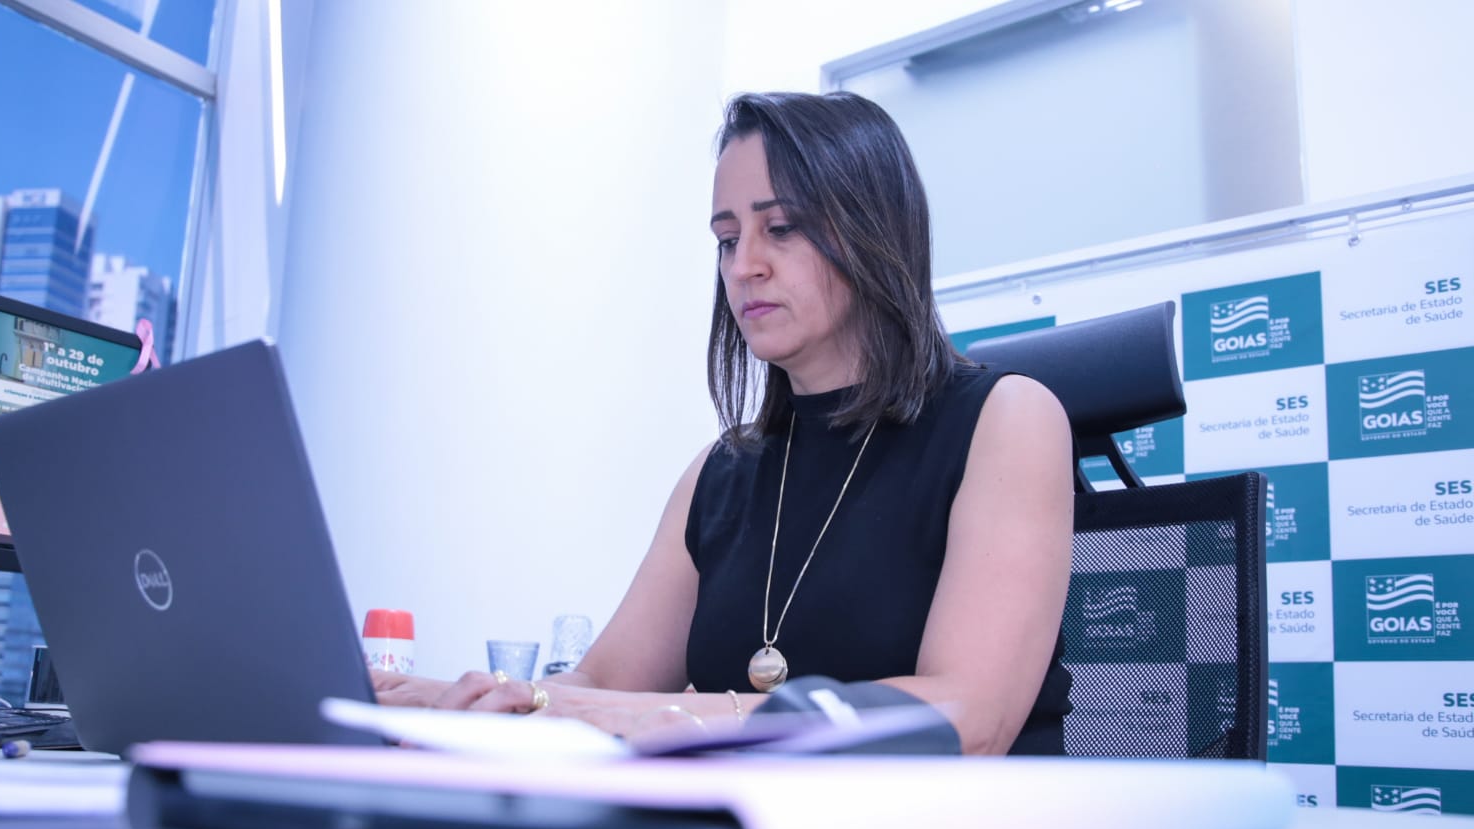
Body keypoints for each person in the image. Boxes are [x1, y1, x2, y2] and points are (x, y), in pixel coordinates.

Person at [373, 91, 1073, 755]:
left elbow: (967, 717)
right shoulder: (721, 472)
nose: (743, 267)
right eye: (727, 239)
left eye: (781, 228)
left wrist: (676, 715)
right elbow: (602, 684)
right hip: (755, 826)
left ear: (873, 230)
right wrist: (476, 700)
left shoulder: (1007, 420)